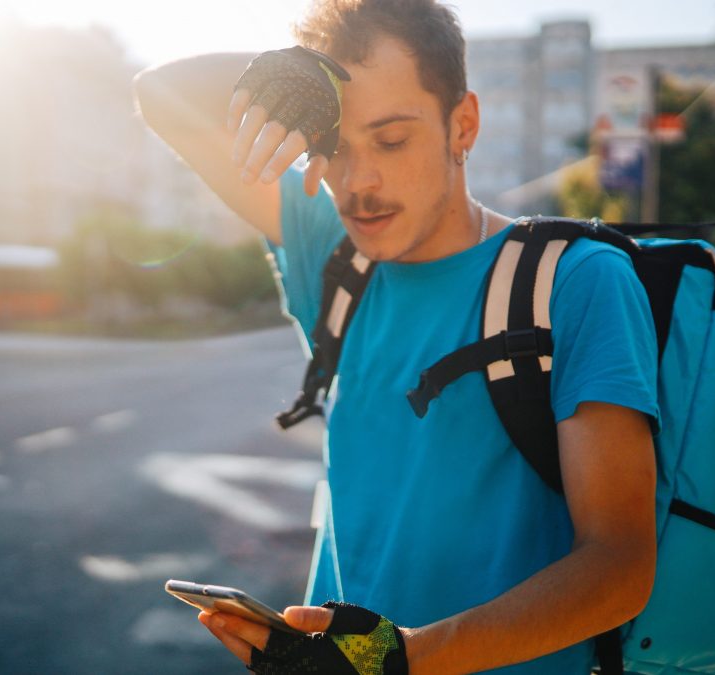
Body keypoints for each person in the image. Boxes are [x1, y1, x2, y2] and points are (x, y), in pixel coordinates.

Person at [134, 1, 659, 672]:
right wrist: (287, 70)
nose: (358, 183)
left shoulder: (577, 280)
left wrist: (401, 658)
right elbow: (160, 94)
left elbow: (619, 565)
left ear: (462, 125)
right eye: (332, 147)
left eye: (391, 140)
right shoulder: (333, 252)